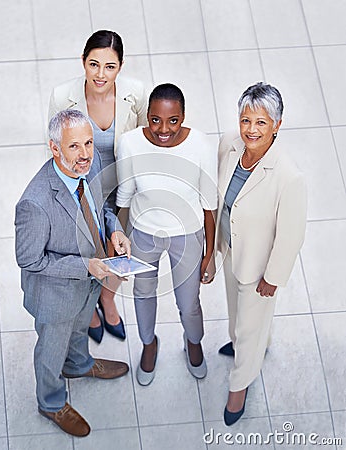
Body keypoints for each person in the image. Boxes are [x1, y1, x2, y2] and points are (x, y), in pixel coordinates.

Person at [15, 110, 131, 437]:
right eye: (74, 147)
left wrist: (116, 231)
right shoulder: (34, 203)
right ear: (54, 148)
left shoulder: (90, 166)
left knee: (80, 329)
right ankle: (51, 402)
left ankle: (78, 365)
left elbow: (101, 208)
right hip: (56, 295)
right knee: (51, 351)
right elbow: (29, 260)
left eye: (89, 143)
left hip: (90, 280)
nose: (84, 155)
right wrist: (85, 266)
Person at [216, 82, 307, 426]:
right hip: (230, 249)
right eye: (245, 120)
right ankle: (246, 341)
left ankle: (239, 385)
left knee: (251, 325)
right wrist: (215, 250)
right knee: (238, 315)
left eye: (261, 123)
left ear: (277, 125)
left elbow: (291, 235)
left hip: (259, 267)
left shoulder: (289, 176)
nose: (250, 130)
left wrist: (273, 276)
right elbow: (221, 198)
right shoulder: (229, 144)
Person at [49, 29, 148, 343]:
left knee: (122, 247)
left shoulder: (135, 93)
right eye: (93, 65)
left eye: (110, 66)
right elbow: (55, 146)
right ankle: (90, 307)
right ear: (83, 61)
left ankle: (107, 298)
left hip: (121, 184)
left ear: (120, 67)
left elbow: (146, 138)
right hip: (82, 186)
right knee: (87, 249)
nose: (100, 74)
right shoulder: (62, 96)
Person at [116, 83, 218, 385]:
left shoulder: (200, 144)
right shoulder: (130, 143)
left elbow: (209, 204)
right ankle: (149, 343)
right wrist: (117, 245)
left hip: (187, 233)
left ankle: (194, 341)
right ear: (147, 116)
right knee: (143, 293)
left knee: (189, 302)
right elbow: (124, 194)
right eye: (155, 119)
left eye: (173, 120)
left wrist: (209, 255)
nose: (164, 129)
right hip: (143, 231)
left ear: (183, 117)